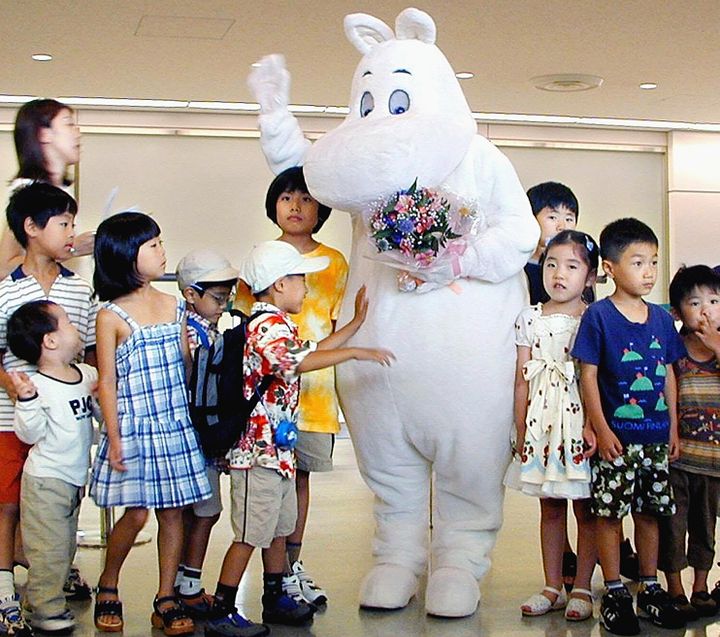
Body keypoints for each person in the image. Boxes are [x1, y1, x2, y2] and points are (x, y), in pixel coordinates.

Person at [206, 240, 392, 637]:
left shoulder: (277, 324)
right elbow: (298, 361)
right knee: (249, 535)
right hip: (257, 455)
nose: (305, 287)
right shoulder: (266, 326)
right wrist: (355, 352)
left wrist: (354, 325)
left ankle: (275, 595)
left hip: (277, 453)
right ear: (278, 285)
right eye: (300, 279)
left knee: (277, 527)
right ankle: (223, 609)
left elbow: (311, 349)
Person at [89, 212, 211, 636]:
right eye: (153, 244)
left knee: (173, 513)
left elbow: (186, 369)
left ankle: (166, 596)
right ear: (126, 255)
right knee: (136, 514)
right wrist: (114, 434)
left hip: (174, 422)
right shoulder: (110, 316)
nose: (163, 250)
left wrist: (196, 354)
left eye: (161, 241)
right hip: (136, 426)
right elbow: (107, 382)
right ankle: (109, 583)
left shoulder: (176, 304)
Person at [233, 166, 348, 606]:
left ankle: (291, 569)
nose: (295, 206)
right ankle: (273, 579)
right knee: (266, 484)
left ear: (319, 207)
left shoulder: (333, 262)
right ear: (273, 206)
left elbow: (336, 324)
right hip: (266, 399)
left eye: (304, 197)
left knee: (299, 480)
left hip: (315, 393)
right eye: (285, 197)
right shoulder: (260, 258)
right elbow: (245, 326)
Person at [573, 218, 687, 635]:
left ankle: (651, 587)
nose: (649, 271)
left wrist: (672, 427)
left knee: (651, 512)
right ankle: (616, 589)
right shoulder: (598, 317)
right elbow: (588, 374)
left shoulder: (660, 319)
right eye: (638, 261)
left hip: (656, 438)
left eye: (653, 261)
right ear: (609, 267)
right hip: (616, 441)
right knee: (608, 513)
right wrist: (601, 429)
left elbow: (670, 374)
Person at [0, 183, 97, 637]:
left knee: (60, 501)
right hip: (12, 415)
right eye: (63, 223)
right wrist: (19, 391)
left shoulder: (78, 291)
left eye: (72, 224)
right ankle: (5, 589)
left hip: (65, 422)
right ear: (31, 228)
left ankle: (56, 574)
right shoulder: (6, 291)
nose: (71, 232)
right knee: (9, 503)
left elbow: (90, 350)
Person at [505, 230, 598, 621]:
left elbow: (597, 375)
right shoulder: (529, 317)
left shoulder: (595, 317)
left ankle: (582, 587)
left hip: (579, 421)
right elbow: (521, 377)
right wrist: (521, 429)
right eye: (552, 264)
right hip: (543, 423)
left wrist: (594, 424)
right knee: (550, 506)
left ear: (590, 277)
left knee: (587, 508)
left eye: (572, 266)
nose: (559, 274)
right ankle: (552, 583)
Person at [7, 301, 99, 634]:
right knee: (49, 549)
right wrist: (27, 401)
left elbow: (99, 416)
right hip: (45, 480)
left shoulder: (87, 376)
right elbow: (29, 434)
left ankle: (38, 597)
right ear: (50, 340)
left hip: (74, 480)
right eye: (69, 323)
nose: (77, 328)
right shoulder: (38, 386)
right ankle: (47, 610)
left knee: (65, 545)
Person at [174, 248, 238, 619]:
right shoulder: (186, 332)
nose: (223, 304)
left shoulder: (213, 329)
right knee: (198, 510)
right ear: (191, 295)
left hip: (208, 435)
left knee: (206, 511)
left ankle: (187, 579)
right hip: (192, 435)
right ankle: (188, 584)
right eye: (217, 297)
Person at [658, 265, 720, 619]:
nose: (706, 310)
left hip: (713, 461)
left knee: (705, 526)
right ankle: (675, 588)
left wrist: (716, 344)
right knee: (673, 523)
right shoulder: (675, 350)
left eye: (713, 301)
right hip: (680, 457)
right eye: (695, 302)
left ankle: (701, 586)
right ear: (678, 311)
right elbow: (668, 396)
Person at [0, 99, 94, 280]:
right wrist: (72, 249)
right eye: (69, 124)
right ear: (44, 134)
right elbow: (5, 266)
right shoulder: (27, 192)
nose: (77, 133)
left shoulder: (62, 191)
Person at [524, 182, 579, 305]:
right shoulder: (517, 265)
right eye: (553, 217)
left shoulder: (578, 268)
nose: (562, 227)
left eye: (569, 219)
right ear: (531, 219)